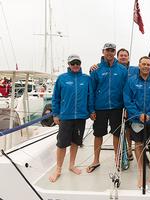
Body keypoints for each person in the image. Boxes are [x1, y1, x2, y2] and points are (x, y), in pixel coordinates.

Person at [49, 54, 95, 182]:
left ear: (80, 64)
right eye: (73, 63)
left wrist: (91, 111)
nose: (75, 65)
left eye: (77, 63)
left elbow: (90, 96)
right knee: (62, 144)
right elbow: (55, 98)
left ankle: (71, 165)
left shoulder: (86, 79)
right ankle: (58, 168)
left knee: (75, 142)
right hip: (66, 116)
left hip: (81, 116)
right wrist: (56, 114)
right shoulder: (62, 78)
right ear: (68, 65)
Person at [123, 56, 150, 190]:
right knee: (139, 144)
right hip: (137, 119)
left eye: (148, 64)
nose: (146, 66)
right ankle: (141, 172)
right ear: (139, 65)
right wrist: (138, 114)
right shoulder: (131, 81)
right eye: (143, 64)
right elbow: (127, 99)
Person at [87, 43, 128, 173]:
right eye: (107, 50)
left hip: (117, 107)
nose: (109, 53)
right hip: (100, 108)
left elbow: (126, 90)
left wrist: (126, 107)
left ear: (115, 52)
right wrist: (91, 109)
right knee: (98, 134)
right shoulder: (96, 69)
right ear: (103, 52)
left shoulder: (122, 70)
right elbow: (91, 91)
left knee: (117, 133)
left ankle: (117, 158)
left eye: (112, 50)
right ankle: (96, 160)